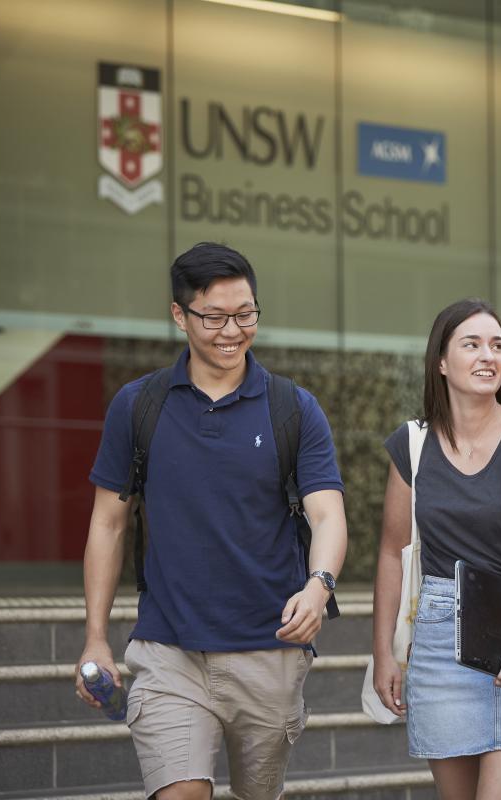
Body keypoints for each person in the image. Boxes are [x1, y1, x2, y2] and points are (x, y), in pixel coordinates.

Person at [76, 242, 347, 800]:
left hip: (269, 651)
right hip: (168, 649)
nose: (232, 330)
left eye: (245, 314)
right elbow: (108, 523)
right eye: (214, 317)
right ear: (179, 316)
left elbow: (328, 514)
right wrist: (95, 639)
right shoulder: (138, 406)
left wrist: (319, 588)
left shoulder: (292, 409)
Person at [371, 298, 501, 800]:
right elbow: (393, 552)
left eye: (497, 346)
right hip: (438, 643)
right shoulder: (412, 445)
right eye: (471, 344)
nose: (488, 356)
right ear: (441, 362)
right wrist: (383, 653)